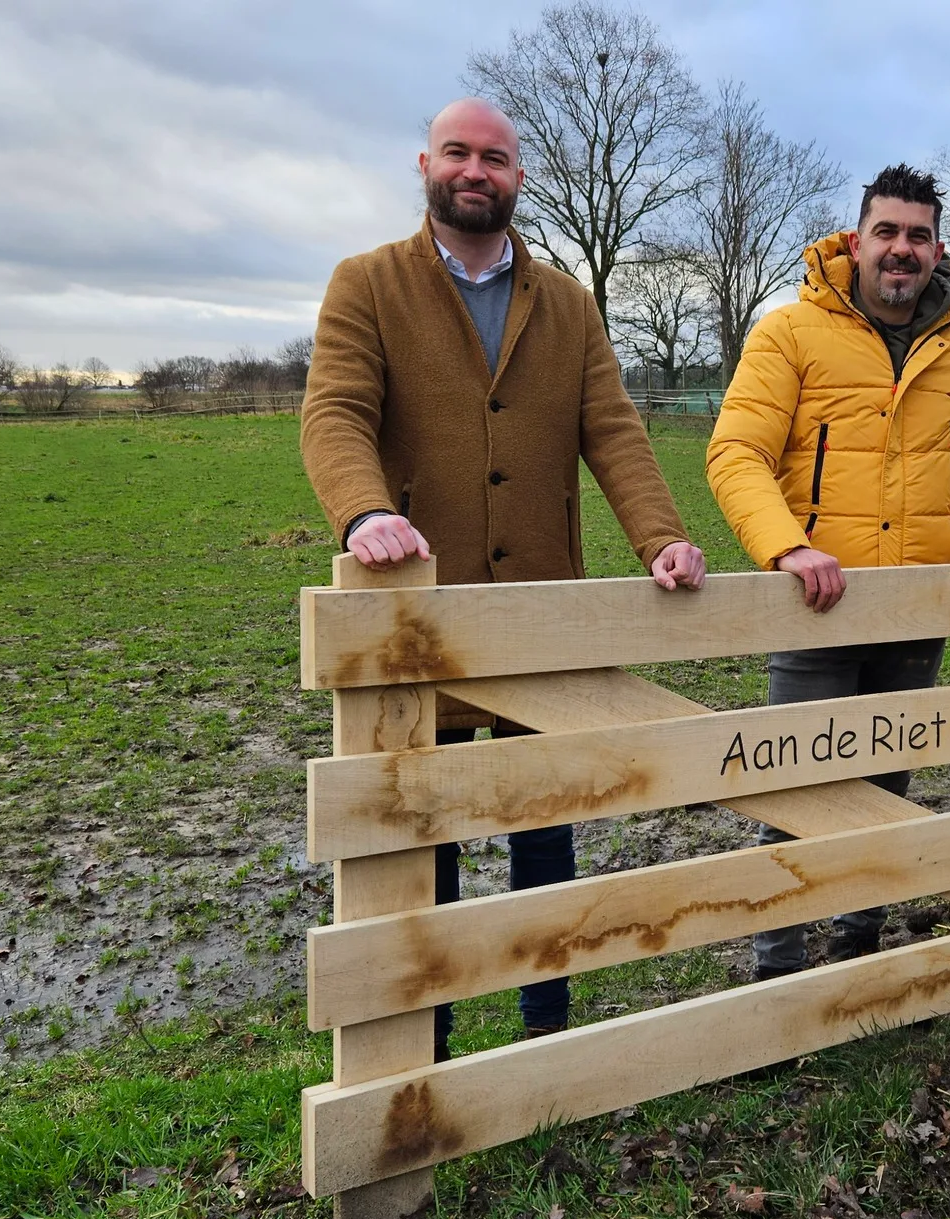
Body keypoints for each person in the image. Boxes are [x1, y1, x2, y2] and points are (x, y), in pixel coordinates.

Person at [299, 98, 707, 1052]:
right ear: (426, 165)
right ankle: (426, 1035)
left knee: (543, 819)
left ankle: (544, 1026)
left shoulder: (566, 301)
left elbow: (612, 428)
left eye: (495, 157)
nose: (474, 170)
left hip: (539, 612)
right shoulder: (365, 284)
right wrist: (367, 512)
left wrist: (661, 539)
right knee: (424, 826)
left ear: (520, 177)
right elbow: (334, 413)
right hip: (417, 614)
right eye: (457, 153)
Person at [707, 164, 950, 979]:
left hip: (917, 604)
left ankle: (857, 943)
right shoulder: (788, 333)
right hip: (816, 602)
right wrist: (788, 547)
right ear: (857, 241)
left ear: (937, 248)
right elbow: (737, 452)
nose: (902, 249)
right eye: (887, 232)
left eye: (918, 235)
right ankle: (776, 962)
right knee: (792, 784)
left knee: (886, 779)